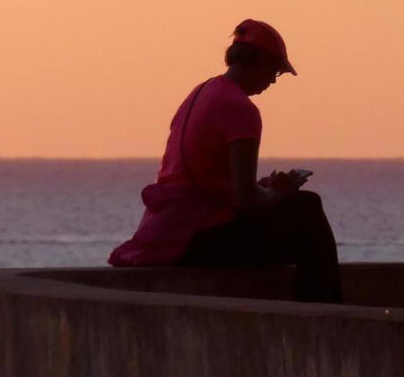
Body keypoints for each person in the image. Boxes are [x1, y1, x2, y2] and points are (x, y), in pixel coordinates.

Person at [108, 19, 343, 302]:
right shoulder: (241, 109)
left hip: (170, 232)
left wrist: (266, 187)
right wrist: (280, 192)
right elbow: (246, 198)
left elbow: (213, 181)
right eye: (274, 71)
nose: (272, 81)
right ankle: (323, 308)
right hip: (199, 238)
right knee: (307, 209)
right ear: (259, 63)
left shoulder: (202, 92)